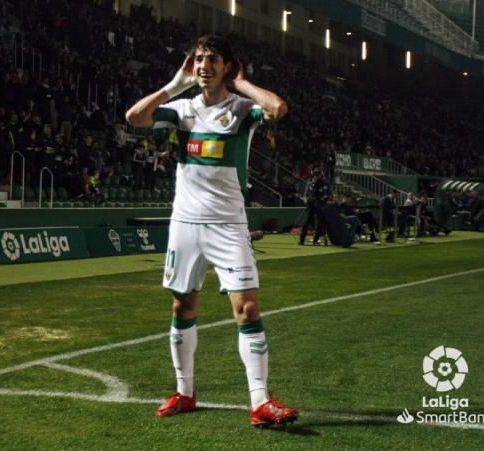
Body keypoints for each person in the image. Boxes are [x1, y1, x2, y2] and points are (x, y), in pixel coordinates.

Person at [125, 34, 297, 428]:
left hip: (228, 225)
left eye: (212, 59)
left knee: (247, 309)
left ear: (226, 66)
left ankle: (260, 402)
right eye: (198, 59)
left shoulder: (240, 110)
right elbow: (134, 118)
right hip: (185, 224)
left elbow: (277, 108)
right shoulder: (182, 109)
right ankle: (184, 392)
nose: (203, 65)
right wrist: (173, 85)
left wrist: (242, 83)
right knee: (182, 307)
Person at [299, 168, 330, 246]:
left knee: (319, 225)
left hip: (319, 206)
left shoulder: (325, 184)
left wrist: (324, 198)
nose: (317, 176)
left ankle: (315, 240)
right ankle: (301, 241)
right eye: (315, 175)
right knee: (305, 223)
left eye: (318, 175)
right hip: (310, 206)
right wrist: (307, 200)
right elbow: (305, 195)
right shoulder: (309, 184)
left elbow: (328, 194)